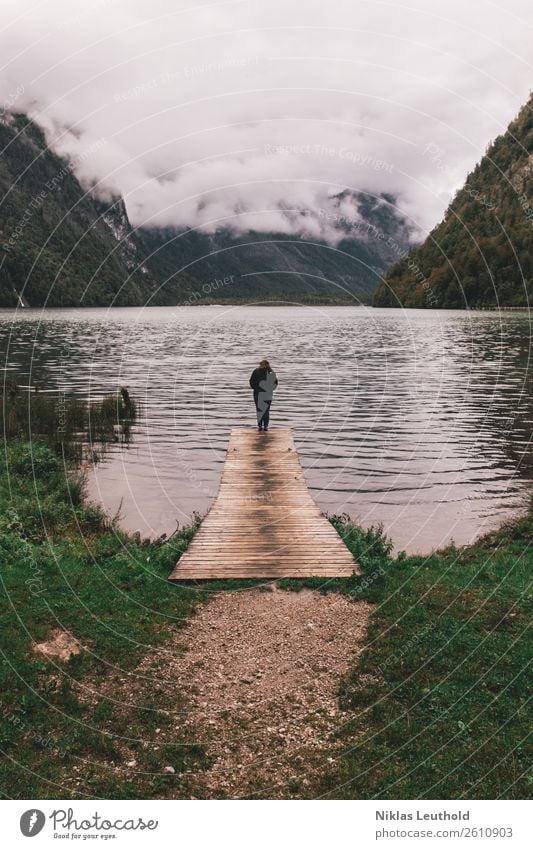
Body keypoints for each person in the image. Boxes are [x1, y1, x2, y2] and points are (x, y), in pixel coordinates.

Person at [249, 359, 278, 432]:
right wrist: (270, 389)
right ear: (268, 365)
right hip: (267, 393)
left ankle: (259, 426)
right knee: (266, 410)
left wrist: (256, 388)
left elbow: (251, 382)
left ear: (260, 364)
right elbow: (275, 383)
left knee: (259, 410)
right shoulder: (271, 372)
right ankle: (265, 426)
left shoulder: (256, 371)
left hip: (257, 394)